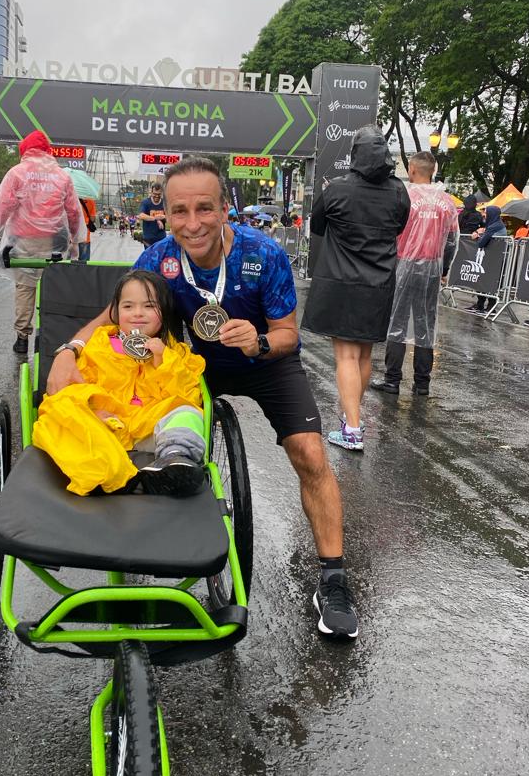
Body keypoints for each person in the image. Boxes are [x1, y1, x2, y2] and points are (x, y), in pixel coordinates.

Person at [47, 155, 359, 639]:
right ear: (166, 214)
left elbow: (287, 335)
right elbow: (114, 316)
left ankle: (333, 580)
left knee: (310, 453)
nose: (192, 224)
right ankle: (157, 529)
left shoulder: (263, 254)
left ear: (225, 209)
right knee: (161, 432)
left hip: (263, 359)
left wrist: (258, 341)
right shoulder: (159, 259)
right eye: (180, 211)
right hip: (193, 366)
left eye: (205, 209)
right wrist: (69, 350)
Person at [34, 269, 206, 497]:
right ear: (115, 312)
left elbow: (185, 394)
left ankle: (174, 460)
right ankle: (103, 473)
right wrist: (95, 410)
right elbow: (80, 383)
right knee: (62, 409)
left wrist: (163, 361)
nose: (138, 313)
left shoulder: (176, 351)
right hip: (105, 427)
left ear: (164, 311)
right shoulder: (99, 345)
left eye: (149, 306)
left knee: (187, 412)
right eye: (128, 306)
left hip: (151, 429)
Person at [301, 126, 410, 450]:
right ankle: (353, 418)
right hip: (379, 283)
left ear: (355, 154)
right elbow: (399, 226)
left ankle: (351, 429)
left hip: (342, 282)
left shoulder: (337, 189)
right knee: (363, 355)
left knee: (346, 356)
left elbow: (317, 226)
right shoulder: (398, 191)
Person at [0, 131, 85, 356]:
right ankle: (47, 333)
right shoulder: (62, 176)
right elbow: (73, 212)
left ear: (25, 150)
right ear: (48, 150)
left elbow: (2, 207)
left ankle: (22, 337)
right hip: (54, 242)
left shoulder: (17, 173)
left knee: (25, 288)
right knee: (52, 287)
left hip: (24, 241)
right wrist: (76, 239)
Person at [370, 151, 458, 397]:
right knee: (425, 323)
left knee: (397, 321)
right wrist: (444, 268)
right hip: (431, 267)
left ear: (412, 169)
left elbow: (389, 233)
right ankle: (422, 383)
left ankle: (392, 380)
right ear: (433, 170)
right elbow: (452, 240)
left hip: (404, 263)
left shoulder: (403, 197)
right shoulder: (446, 202)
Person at [467, 205, 507, 314]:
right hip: (492, 257)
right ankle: (481, 304)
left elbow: (481, 243)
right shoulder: (496, 224)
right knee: (485, 280)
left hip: (493, 258)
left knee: (488, 281)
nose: (484, 215)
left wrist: (477, 235)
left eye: (486, 213)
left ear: (492, 214)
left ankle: (490, 307)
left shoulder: (494, 226)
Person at [138, 183, 167, 248]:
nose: (157, 196)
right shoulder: (146, 203)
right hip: (148, 239)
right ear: (151, 192)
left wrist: (164, 217)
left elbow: (171, 217)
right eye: (155, 194)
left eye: (159, 194)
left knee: (161, 254)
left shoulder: (164, 203)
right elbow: (141, 215)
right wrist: (155, 218)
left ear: (162, 193)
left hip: (161, 238)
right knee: (150, 254)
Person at [77, 196, 97, 261]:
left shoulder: (70, 198)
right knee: (84, 261)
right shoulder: (90, 200)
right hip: (84, 235)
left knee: (69, 262)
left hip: (71, 235)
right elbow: (93, 218)